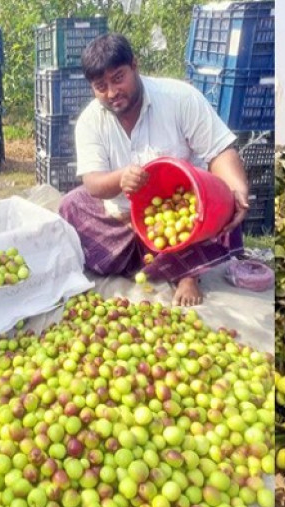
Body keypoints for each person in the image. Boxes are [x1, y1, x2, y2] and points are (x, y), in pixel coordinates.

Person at [59, 33, 250, 307]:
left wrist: (237, 189)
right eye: (101, 86)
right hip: (125, 215)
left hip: (184, 209)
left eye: (118, 78)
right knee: (71, 205)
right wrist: (121, 178)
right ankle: (158, 260)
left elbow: (219, 150)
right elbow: (93, 182)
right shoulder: (90, 121)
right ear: (92, 88)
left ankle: (187, 273)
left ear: (135, 66)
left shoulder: (179, 98)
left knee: (225, 198)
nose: (112, 93)